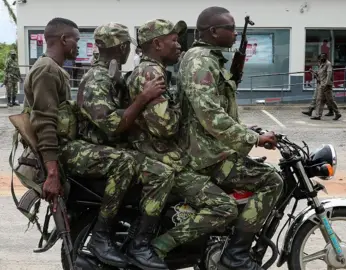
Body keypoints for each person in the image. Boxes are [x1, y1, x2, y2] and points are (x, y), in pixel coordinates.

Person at [22, 18, 139, 268]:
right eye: (77, 39)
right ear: (64, 39)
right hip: (61, 151)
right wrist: (52, 172)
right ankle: (101, 235)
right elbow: (44, 123)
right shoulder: (46, 70)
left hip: (66, 146)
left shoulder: (56, 69)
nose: (80, 45)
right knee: (124, 163)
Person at [126, 18, 240, 269]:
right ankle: (155, 246)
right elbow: (165, 127)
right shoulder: (150, 73)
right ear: (157, 43)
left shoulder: (157, 71)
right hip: (160, 158)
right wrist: (183, 109)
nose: (180, 46)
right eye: (174, 40)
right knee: (224, 207)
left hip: (163, 156)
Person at [177, 7, 283, 270]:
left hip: (212, 148)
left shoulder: (210, 59)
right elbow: (210, 115)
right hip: (207, 156)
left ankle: (225, 241)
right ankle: (236, 254)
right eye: (230, 28)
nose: (235, 33)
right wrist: (254, 140)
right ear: (213, 31)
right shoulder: (200, 61)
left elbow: (218, 110)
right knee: (272, 180)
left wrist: (249, 130)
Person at [77, 22, 178, 269]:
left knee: (157, 166)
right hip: (91, 147)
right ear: (121, 47)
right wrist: (144, 98)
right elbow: (112, 125)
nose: (129, 52)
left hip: (107, 146)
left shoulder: (113, 75)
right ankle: (124, 240)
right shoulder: (96, 78)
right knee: (155, 172)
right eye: (127, 47)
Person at [310, 53, 342, 121]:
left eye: (322, 57)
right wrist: (313, 72)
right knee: (319, 100)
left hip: (326, 85)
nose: (321, 59)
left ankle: (337, 113)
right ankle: (318, 115)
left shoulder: (328, 64)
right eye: (320, 57)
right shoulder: (321, 64)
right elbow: (319, 74)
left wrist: (326, 84)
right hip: (321, 85)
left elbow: (329, 75)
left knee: (330, 100)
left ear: (326, 58)